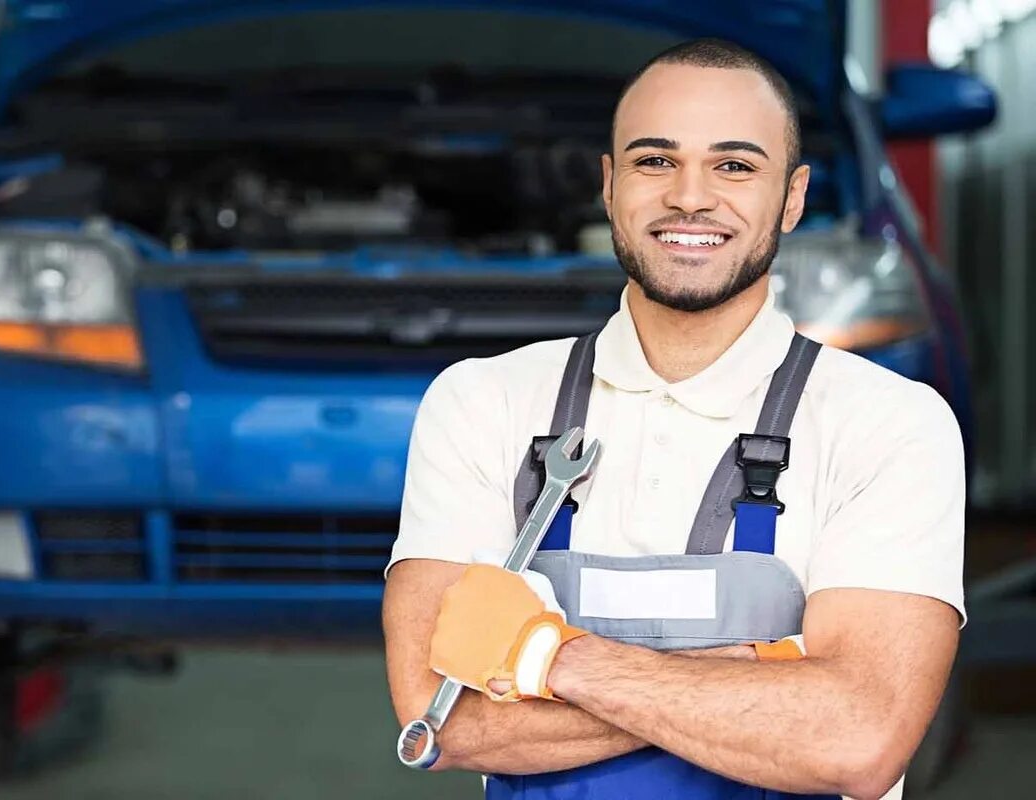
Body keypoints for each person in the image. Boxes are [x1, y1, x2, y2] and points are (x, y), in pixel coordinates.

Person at [382, 38, 965, 800]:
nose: (691, 197)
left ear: (791, 197)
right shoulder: (483, 401)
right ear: (610, 183)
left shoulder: (891, 424)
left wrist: (548, 660)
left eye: (734, 166)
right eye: (656, 161)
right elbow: (444, 722)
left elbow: (855, 739)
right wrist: (762, 672)